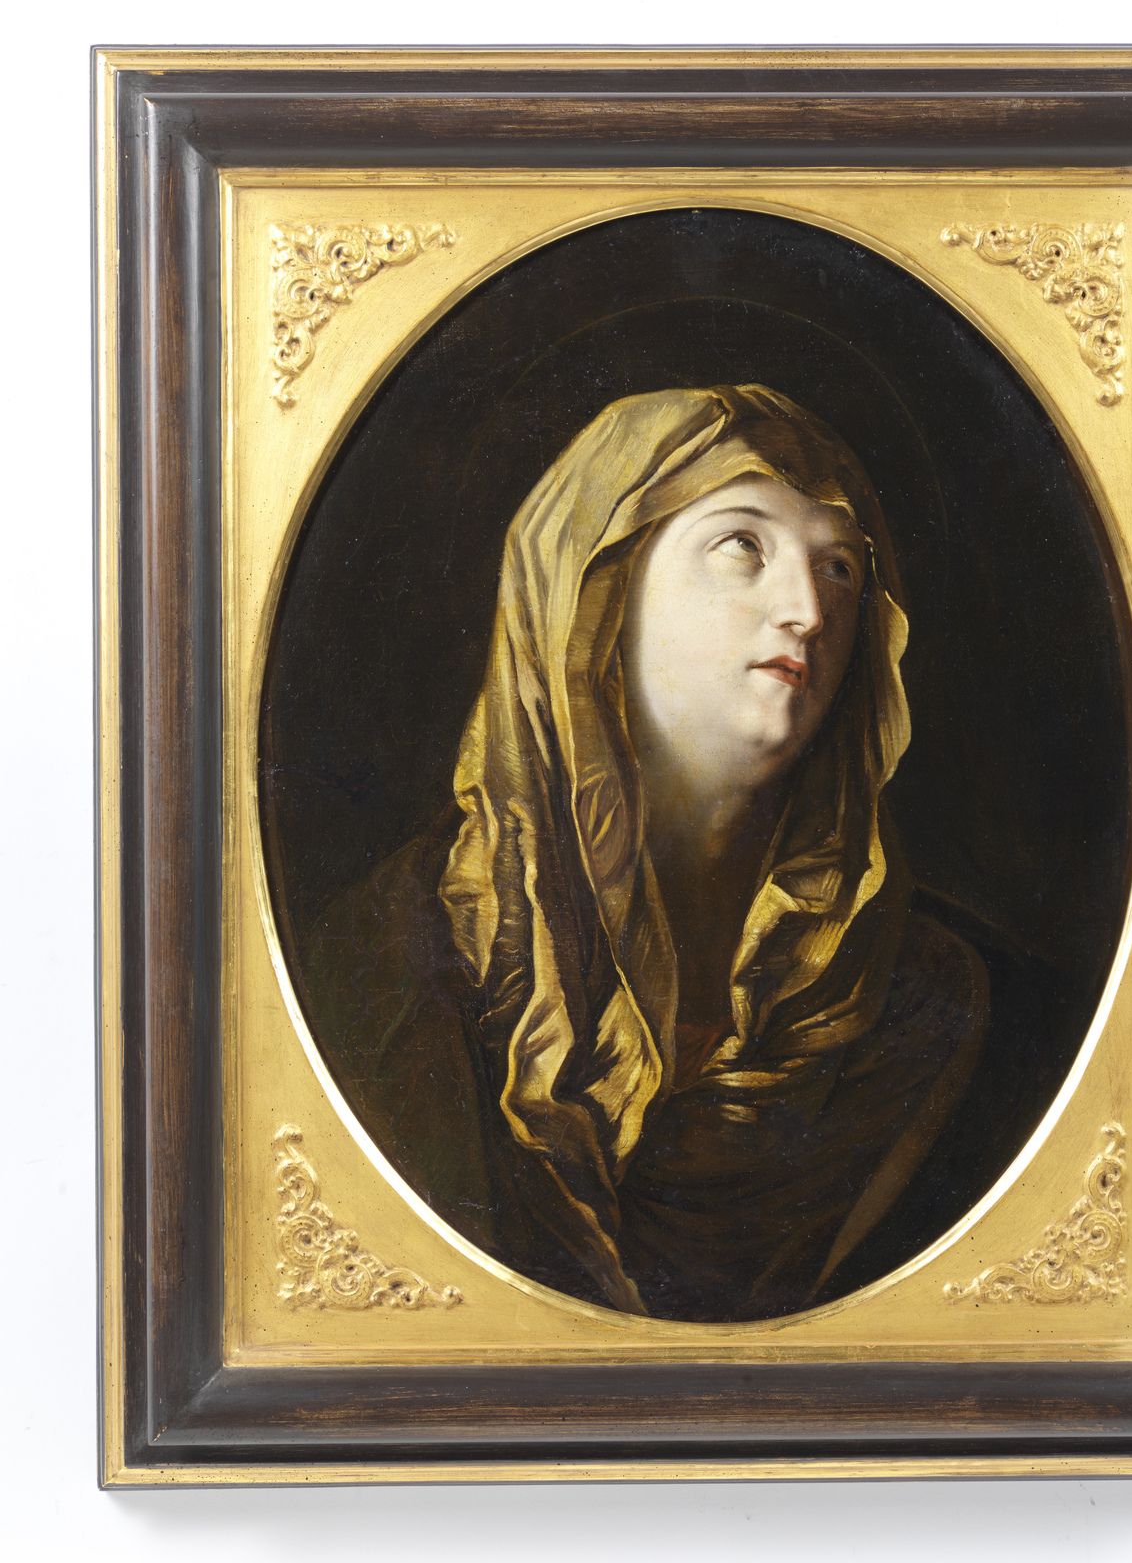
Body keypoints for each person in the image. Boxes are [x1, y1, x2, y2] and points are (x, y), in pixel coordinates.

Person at [302, 385, 987, 1321]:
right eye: (741, 546)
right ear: (593, 592)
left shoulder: (927, 991)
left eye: (838, 567)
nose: (807, 610)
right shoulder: (385, 958)